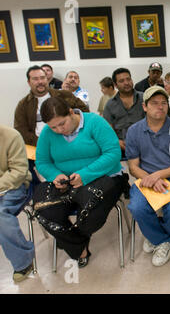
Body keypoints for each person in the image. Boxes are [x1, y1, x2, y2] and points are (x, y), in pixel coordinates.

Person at [32, 96, 127, 268]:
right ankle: (79, 246)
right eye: (53, 127)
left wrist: (85, 174)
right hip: (67, 181)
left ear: (71, 112)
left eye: (62, 124)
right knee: (42, 209)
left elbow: (113, 153)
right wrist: (55, 176)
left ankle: (70, 241)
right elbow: (43, 162)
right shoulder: (47, 133)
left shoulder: (95, 122)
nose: (59, 130)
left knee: (91, 211)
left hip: (103, 176)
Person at [126, 86, 170, 266]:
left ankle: (155, 235)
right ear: (145, 106)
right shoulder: (133, 131)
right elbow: (133, 166)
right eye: (154, 103)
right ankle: (163, 239)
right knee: (137, 207)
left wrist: (157, 176)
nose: (160, 107)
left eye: (164, 103)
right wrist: (150, 178)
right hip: (145, 177)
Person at [14, 65, 89, 147]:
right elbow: (21, 130)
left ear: (47, 79)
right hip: (40, 145)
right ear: (29, 82)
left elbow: (84, 113)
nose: (40, 82)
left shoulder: (64, 95)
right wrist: (42, 143)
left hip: (70, 142)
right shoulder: (23, 105)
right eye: (35, 79)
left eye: (42, 78)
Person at [0, 124, 34, 282]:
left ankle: (23, 262)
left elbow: (19, 172)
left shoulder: (10, 136)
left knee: (1, 215)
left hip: (15, 186)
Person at [103, 68, 145, 158]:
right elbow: (107, 129)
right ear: (115, 85)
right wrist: (116, 141)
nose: (126, 83)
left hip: (145, 145)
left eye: (128, 79)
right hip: (121, 148)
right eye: (121, 81)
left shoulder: (145, 98)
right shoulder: (110, 104)